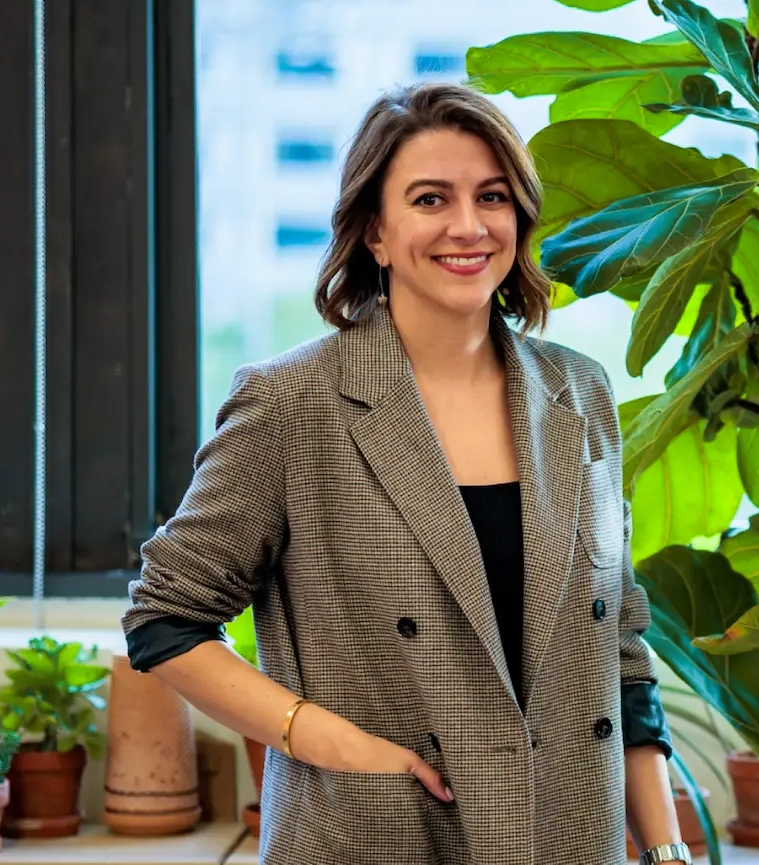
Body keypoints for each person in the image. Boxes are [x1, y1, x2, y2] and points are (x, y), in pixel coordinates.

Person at [121, 82, 692, 865]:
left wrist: (666, 851)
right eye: (430, 198)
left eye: (492, 196)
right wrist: (326, 739)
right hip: (379, 835)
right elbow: (164, 619)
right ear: (375, 234)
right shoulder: (290, 403)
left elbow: (618, 652)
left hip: (567, 835)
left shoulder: (581, 392)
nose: (468, 225)